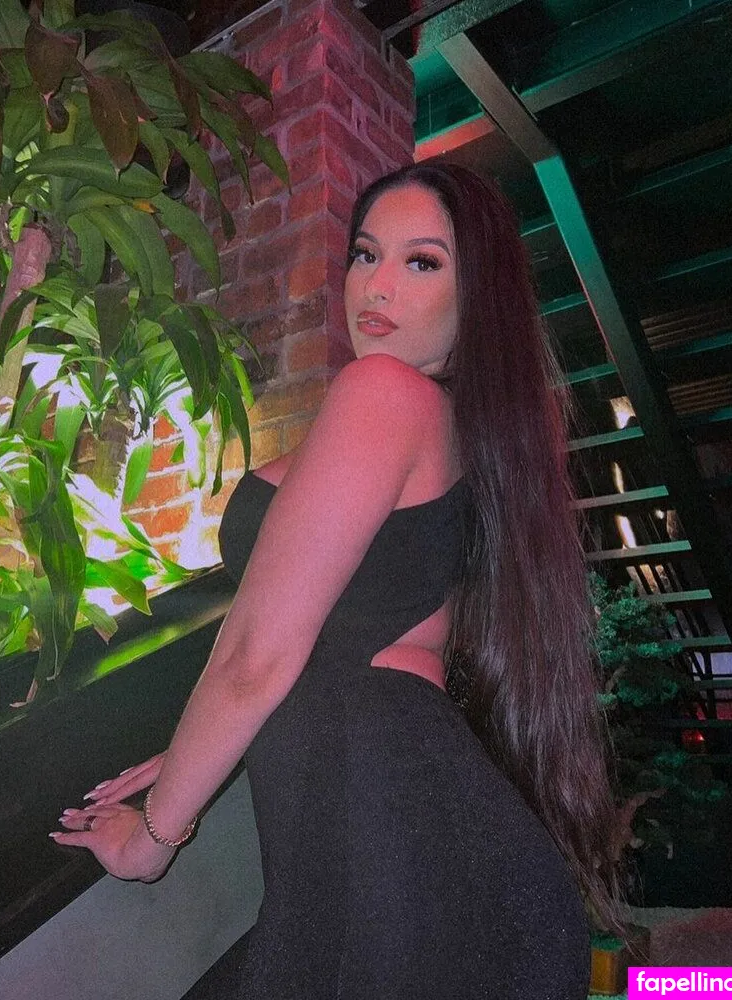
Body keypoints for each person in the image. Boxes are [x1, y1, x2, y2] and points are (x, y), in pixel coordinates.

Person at [53, 162, 623, 997]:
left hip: (395, 854)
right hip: (423, 856)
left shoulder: (384, 393)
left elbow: (257, 654)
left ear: (477, 298)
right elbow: (352, 628)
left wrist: (154, 837)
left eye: (421, 262)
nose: (376, 285)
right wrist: (189, 754)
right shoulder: (463, 437)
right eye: (365, 253)